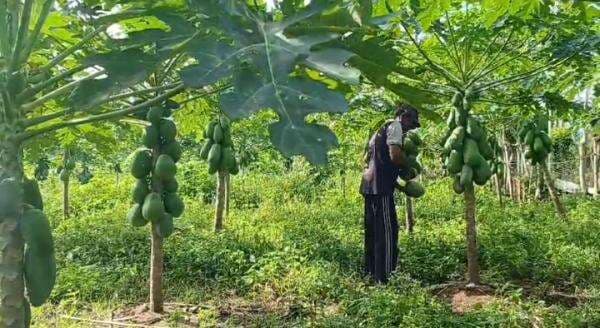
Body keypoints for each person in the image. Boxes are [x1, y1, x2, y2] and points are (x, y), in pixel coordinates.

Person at [359, 104, 421, 283]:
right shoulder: (395, 126)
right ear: (404, 116)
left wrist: (401, 187)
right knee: (387, 232)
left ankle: (370, 273)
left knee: (373, 231)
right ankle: (385, 278)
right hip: (380, 190)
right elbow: (394, 155)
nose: (410, 128)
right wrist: (408, 165)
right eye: (411, 123)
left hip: (370, 187)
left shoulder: (381, 129)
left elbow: (378, 161)